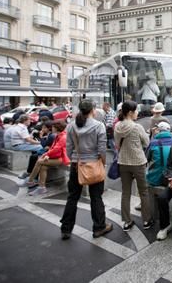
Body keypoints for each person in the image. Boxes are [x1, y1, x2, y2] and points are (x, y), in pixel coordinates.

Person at [61, 99, 112, 240]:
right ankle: (99, 227)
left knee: (72, 197)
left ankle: (66, 229)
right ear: (92, 110)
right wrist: (103, 163)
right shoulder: (98, 126)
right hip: (94, 164)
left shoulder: (71, 126)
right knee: (96, 197)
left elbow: (69, 147)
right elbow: (102, 149)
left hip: (77, 165)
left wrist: (74, 159)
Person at [114, 100, 152, 231]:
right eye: (136, 111)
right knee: (144, 192)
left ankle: (126, 221)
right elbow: (147, 143)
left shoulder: (118, 126)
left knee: (125, 193)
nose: (137, 113)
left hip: (123, 162)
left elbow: (117, 145)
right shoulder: (137, 127)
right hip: (138, 162)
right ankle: (146, 220)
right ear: (130, 113)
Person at [26, 120, 70, 196]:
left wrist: (45, 154)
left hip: (62, 158)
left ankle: (30, 181)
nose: (51, 128)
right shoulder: (58, 135)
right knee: (43, 166)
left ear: (57, 128)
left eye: (53, 127)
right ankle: (42, 187)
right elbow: (52, 148)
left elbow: (56, 149)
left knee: (39, 161)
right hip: (57, 157)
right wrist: (47, 155)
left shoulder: (63, 137)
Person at [145, 121, 172, 187]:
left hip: (154, 179)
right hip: (171, 178)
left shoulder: (153, 143)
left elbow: (146, 159)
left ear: (159, 130)